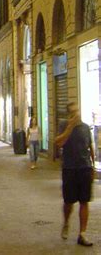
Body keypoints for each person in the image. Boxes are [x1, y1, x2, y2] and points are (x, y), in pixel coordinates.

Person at [55, 102, 95, 247]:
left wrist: (92, 166)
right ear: (69, 113)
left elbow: (90, 147)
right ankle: (66, 222)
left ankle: (82, 234)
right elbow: (58, 143)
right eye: (73, 111)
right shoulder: (64, 125)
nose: (76, 114)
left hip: (84, 168)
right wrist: (70, 127)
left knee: (84, 201)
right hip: (69, 169)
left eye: (77, 111)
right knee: (69, 202)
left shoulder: (85, 127)